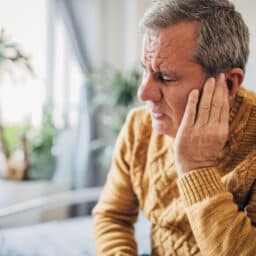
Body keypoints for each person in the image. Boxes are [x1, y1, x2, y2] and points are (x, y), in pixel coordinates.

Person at [93, 0, 256, 255]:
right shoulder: (139, 128)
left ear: (228, 85)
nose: (143, 93)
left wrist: (197, 168)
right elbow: (112, 216)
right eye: (144, 72)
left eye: (165, 77)